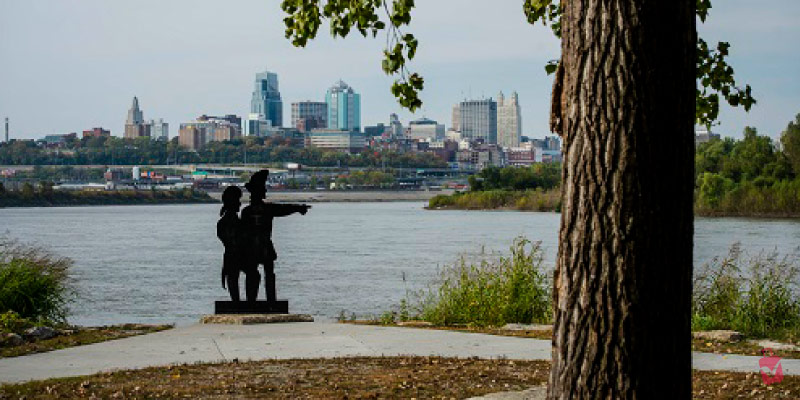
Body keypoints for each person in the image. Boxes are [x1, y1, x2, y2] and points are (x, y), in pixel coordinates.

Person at [241, 170, 310, 302]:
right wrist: (299, 208)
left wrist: (298, 208)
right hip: (263, 246)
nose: (265, 191)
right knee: (266, 274)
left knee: (255, 274)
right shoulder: (264, 209)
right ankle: (270, 301)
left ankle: (252, 301)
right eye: (263, 189)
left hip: (253, 248)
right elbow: (283, 209)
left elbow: (284, 209)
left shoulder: (247, 211)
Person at [216, 185, 259, 302]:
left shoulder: (233, 222)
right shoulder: (226, 223)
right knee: (238, 277)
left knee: (253, 275)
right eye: (238, 201)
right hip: (235, 256)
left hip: (236, 256)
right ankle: (241, 302)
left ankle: (248, 302)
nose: (240, 204)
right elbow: (231, 243)